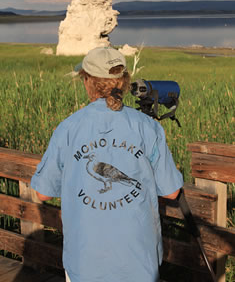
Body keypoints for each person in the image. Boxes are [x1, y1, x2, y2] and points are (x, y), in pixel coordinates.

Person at [31, 46, 183, 282]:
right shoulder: (147, 126)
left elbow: (42, 193)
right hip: (138, 262)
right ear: (124, 82)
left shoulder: (68, 128)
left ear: (87, 82)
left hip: (85, 262)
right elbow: (172, 192)